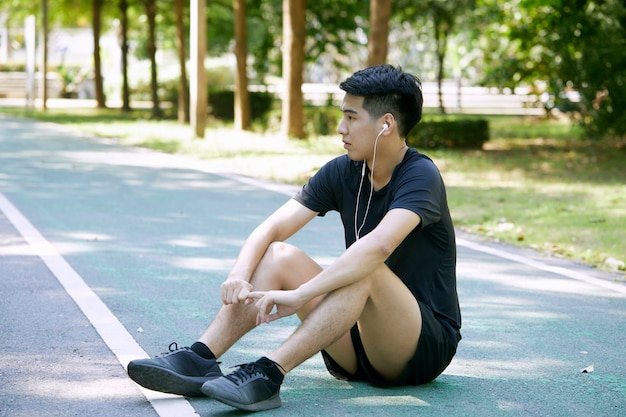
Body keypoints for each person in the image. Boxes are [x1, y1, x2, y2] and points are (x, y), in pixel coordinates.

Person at [127, 64, 461, 412]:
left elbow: (379, 246)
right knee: (278, 254)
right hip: (354, 341)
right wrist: (238, 274)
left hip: (420, 347)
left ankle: (269, 372)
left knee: (367, 267)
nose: (340, 128)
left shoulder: (421, 175)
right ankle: (201, 356)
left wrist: (301, 295)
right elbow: (271, 229)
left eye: (351, 117)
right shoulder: (343, 171)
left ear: (386, 124)